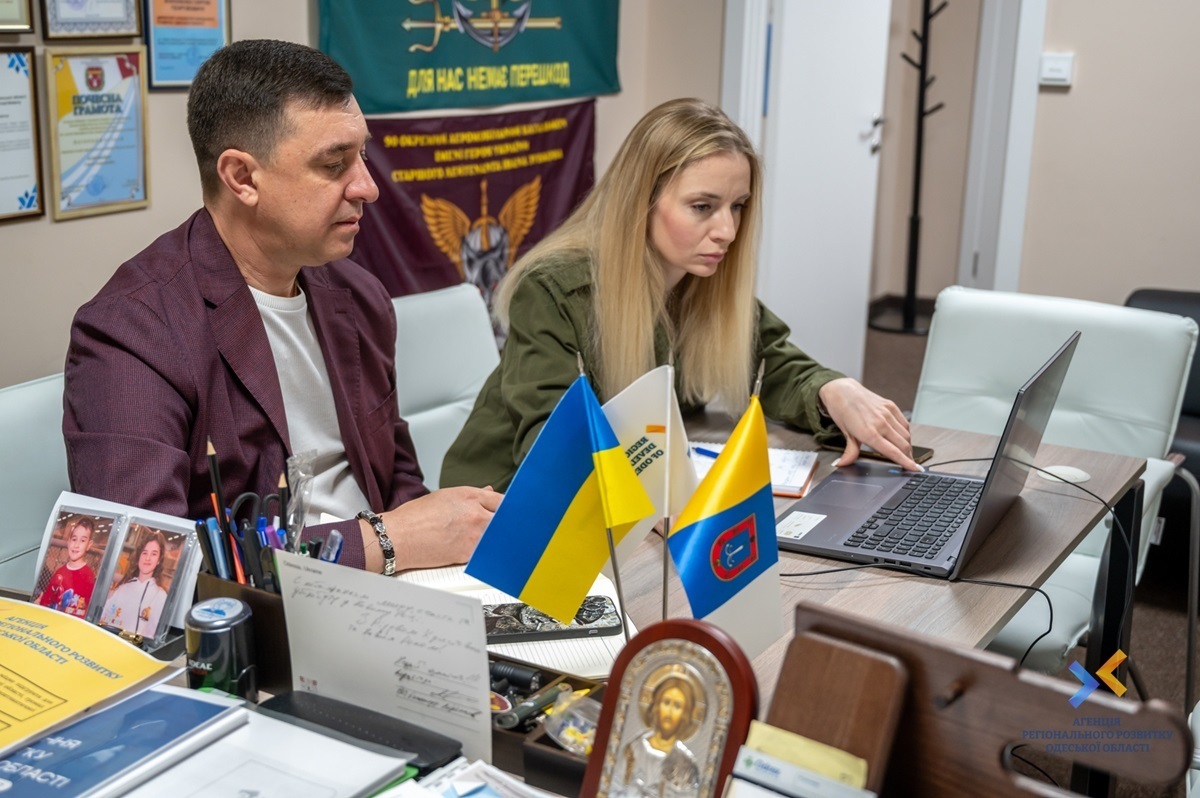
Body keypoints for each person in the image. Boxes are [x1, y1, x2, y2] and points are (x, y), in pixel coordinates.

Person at [63, 40, 499, 575]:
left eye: (362, 156)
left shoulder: (357, 295)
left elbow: (397, 480)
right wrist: (389, 541)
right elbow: (143, 572)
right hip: (263, 615)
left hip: (395, 589)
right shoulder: (134, 330)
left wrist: (441, 546)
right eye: (334, 164)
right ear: (242, 178)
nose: (367, 187)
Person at [441, 98, 919, 491]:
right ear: (641, 201)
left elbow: (770, 363)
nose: (727, 230)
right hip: (502, 508)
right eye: (702, 206)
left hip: (636, 502)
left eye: (737, 206)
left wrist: (833, 390)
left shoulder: (694, 275)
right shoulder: (555, 289)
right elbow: (556, 450)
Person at [614, 675, 702, 797]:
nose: (669, 711)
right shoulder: (634, 749)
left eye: (677, 706)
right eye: (666, 702)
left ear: (684, 714)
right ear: (656, 705)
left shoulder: (686, 765)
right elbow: (613, 786)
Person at [100, 532, 170, 637]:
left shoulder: (160, 596)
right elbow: (103, 618)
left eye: (154, 554)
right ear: (138, 557)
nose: (147, 558)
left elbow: (155, 636)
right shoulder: (122, 588)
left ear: (159, 560)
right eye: (144, 553)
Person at [35, 517, 98, 618]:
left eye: (82, 541)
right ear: (69, 542)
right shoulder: (59, 572)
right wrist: (39, 605)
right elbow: (46, 602)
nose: (76, 545)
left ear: (89, 545)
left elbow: (84, 614)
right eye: (74, 539)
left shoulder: (88, 577)